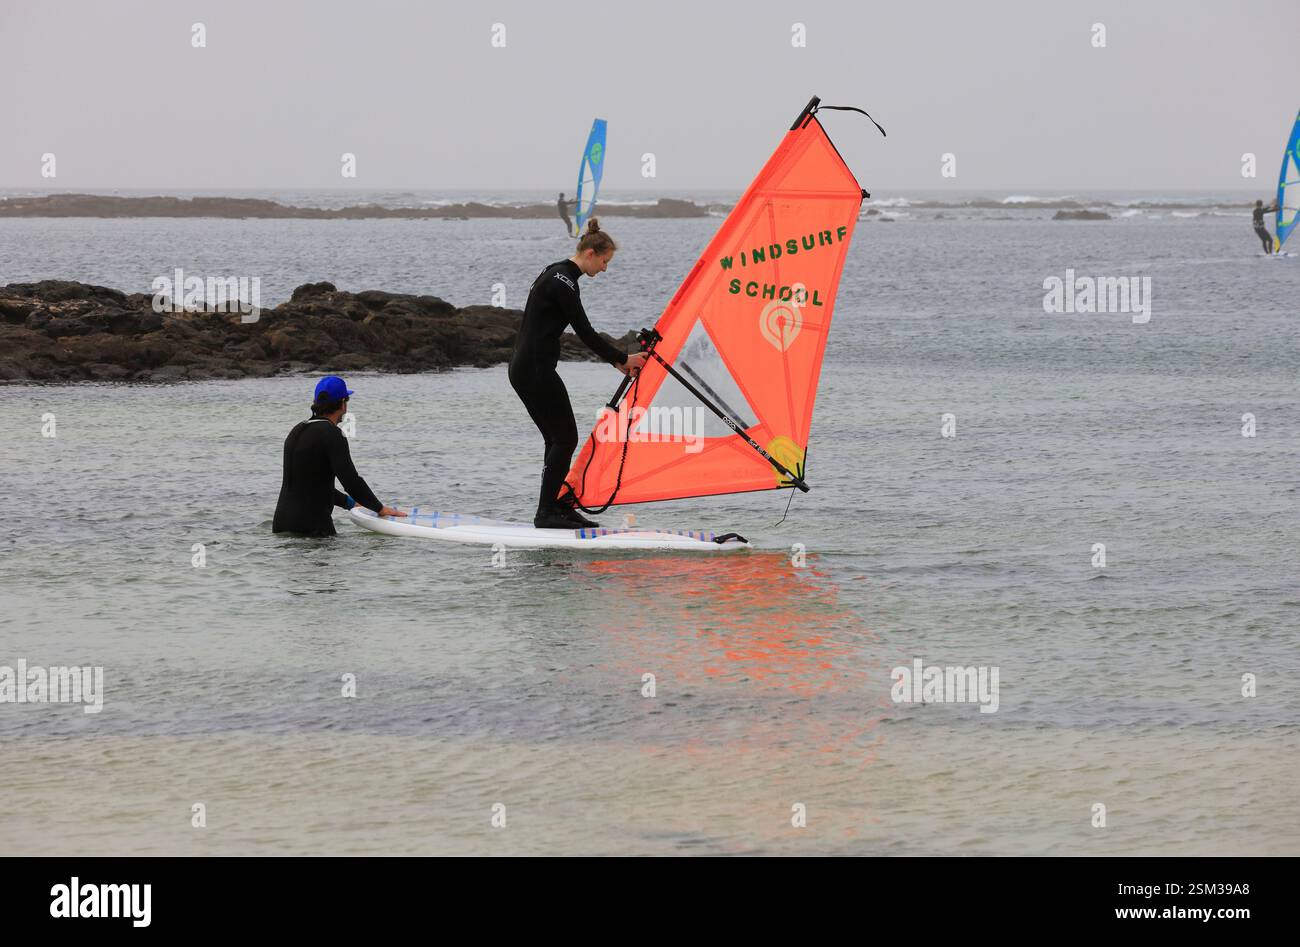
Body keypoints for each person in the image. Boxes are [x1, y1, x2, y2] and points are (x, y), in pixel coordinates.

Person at [510, 219, 648, 529]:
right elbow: (584, 331)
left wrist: (616, 362)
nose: (604, 269)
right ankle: (546, 513)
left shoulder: (555, 271)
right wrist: (622, 358)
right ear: (589, 253)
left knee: (556, 440)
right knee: (566, 438)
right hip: (535, 370)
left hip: (524, 368)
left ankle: (554, 506)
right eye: (604, 261)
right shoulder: (564, 283)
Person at [272, 376, 406, 536]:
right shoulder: (332, 433)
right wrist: (379, 508)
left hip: (281, 524)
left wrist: (350, 503)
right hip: (312, 528)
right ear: (343, 403)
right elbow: (350, 481)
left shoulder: (296, 430)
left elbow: (308, 485)